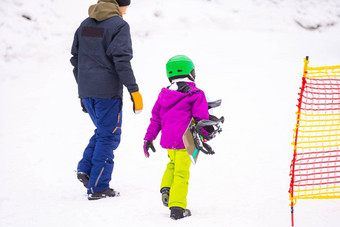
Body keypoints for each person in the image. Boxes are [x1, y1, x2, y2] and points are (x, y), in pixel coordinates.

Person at [70, 0, 143, 200]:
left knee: (103, 131)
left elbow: (76, 59)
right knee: (110, 136)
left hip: (87, 91)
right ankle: (98, 187)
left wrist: (83, 88)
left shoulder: (85, 24)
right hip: (107, 92)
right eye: (126, 5)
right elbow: (122, 61)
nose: (126, 10)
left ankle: (85, 169)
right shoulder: (119, 26)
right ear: (118, 4)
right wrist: (134, 91)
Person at [143, 55, 209, 219]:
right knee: (181, 173)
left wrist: (149, 138)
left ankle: (167, 188)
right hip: (185, 140)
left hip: (169, 140)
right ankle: (177, 208)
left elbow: (156, 119)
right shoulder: (196, 94)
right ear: (191, 73)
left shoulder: (164, 94)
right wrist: (206, 136)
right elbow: (201, 119)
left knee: (172, 164)